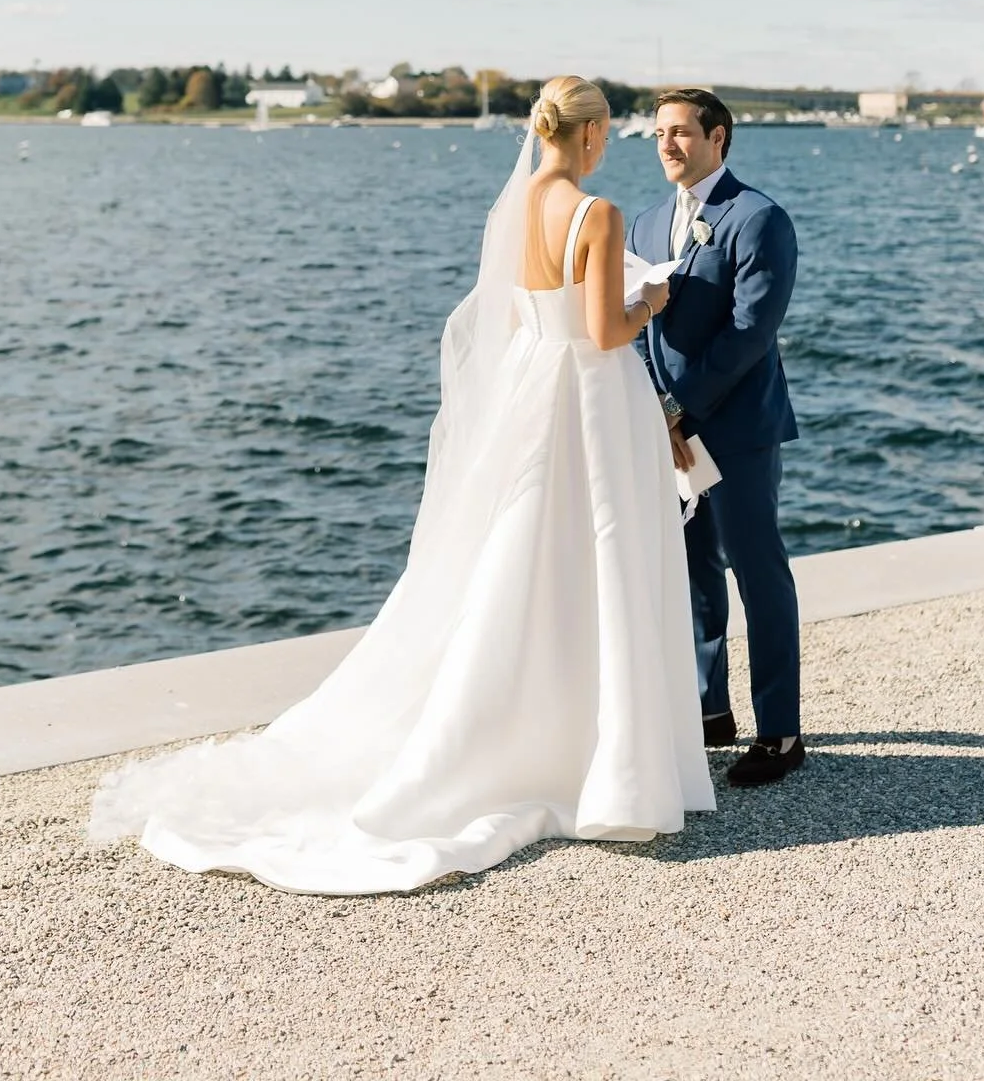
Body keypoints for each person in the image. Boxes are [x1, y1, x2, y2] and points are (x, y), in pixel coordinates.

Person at [90, 75, 714, 893]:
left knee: (521, 555)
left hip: (533, 391)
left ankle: (534, 725)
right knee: (598, 556)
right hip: (589, 401)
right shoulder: (593, 215)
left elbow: (526, 310)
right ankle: (602, 747)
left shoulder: (520, 203)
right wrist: (652, 298)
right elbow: (602, 332)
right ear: (592, 136)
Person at [628, 88, 803, 788]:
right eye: (660, 133)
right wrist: (654, 409)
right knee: (695, 572)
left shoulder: (759, 218)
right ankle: (710, 710)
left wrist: (682, 406)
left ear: (718, 137)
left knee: (759, 575)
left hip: (738, 430)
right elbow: (638, 322)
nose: (667, 144)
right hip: (670, 429)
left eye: (681, 132)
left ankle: (781, 731)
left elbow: (750, 333)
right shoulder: (643, 223)